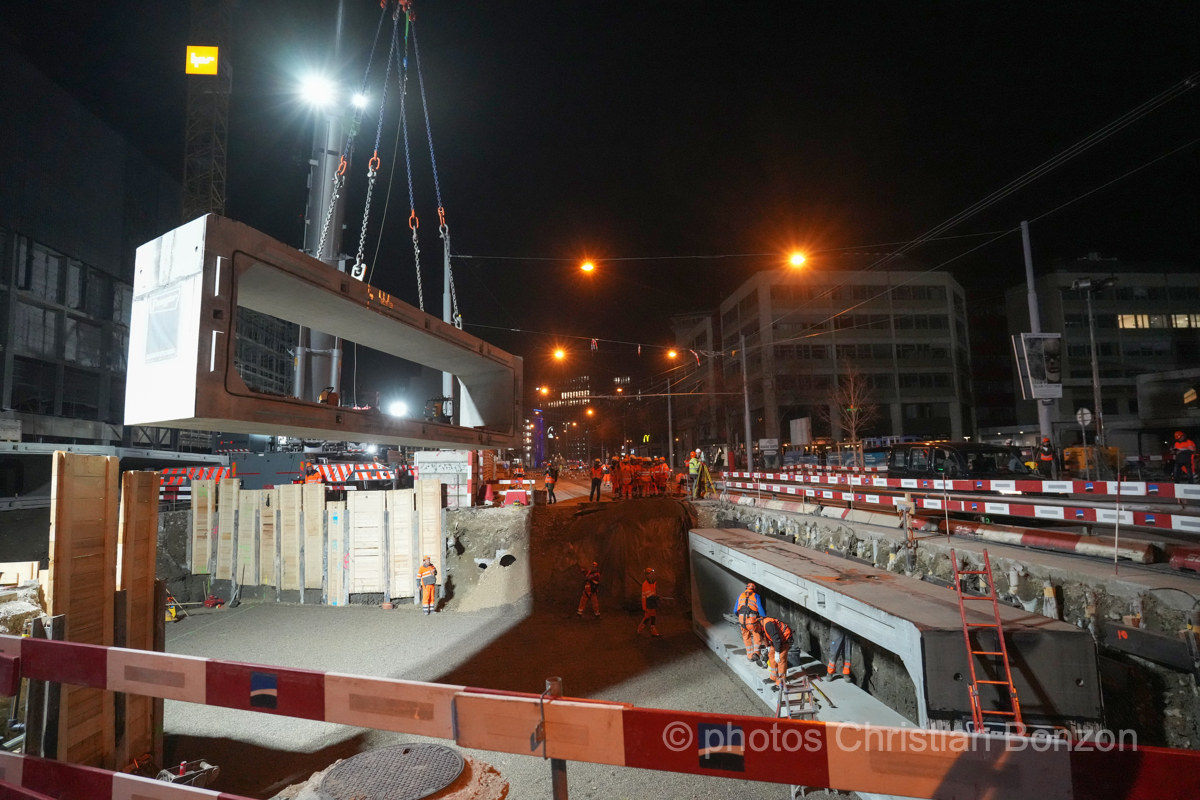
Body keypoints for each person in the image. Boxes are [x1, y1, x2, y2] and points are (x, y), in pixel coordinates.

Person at [757, 616, 793, 691]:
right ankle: (774, 677)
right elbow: (765, 637)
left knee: (781, 659)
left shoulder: (768, 625)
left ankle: (781, 684)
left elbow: (777, 639)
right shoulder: (761, 625)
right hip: (776, 641)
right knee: (771, 656)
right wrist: (768, 647)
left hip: (784, 640)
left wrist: (777, 652)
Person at [734, 582, 766, 666]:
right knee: (756, 635)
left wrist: (740, 616)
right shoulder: (756, 595)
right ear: (754, 589)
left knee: (746, 637)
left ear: (746, 588)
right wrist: (764, 617)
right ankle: (756, 653)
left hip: (742, 619)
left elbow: (735, 610)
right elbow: (760, 608)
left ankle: (749, 656)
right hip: (752, 620)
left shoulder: (740, 595)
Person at [639, 567, 661, 637]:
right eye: (650, 574)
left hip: (652, 602)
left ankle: (653, 631)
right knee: (647, 617)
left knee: (653, 616)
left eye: (652, 574)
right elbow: (649, 596)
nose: (652, 575)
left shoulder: (652, 582)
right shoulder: (645, 584)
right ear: (647, 575)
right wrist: (657, 598)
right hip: (647, 603)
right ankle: (640, 629)